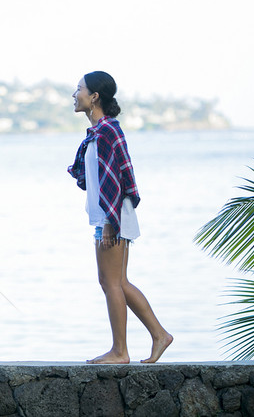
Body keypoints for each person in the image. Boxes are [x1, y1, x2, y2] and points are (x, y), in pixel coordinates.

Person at [68, 71, 173, 364]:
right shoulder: (98, 132)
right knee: (117, 281)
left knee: (111, 282)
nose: (74, 95)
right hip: (107, 215)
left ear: (94, 97)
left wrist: (110, 222)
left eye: (79, 89)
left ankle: (120, 351)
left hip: (111, 216)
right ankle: (159, 335)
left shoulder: (108, 131)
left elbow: (119, 179)